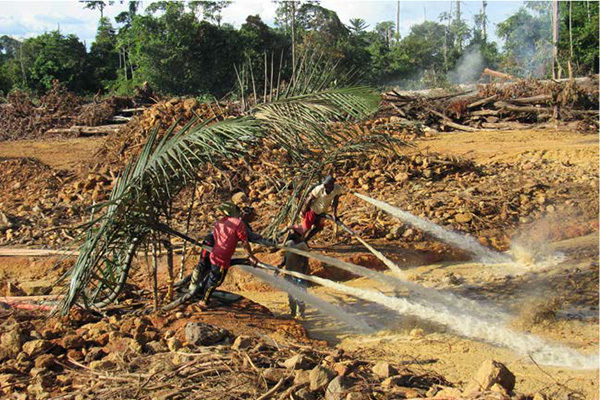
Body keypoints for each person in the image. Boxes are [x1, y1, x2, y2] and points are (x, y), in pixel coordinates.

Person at [195, 202, 259, 309]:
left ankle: (204, 298)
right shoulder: (238, 223)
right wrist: (251, 256)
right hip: (222, 258)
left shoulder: (219, 223)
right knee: (215, 281)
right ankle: (204, 302)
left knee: (213, 278)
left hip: (216, 254)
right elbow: (244, 242)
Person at [278, 226, 309, 318]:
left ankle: (301, 313)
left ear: (298, 234)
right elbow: (286, 257)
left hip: (298, 274)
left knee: (300, 294)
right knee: (290, 293)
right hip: (289, 273)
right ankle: (293, 312)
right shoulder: (289, 243)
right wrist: (281, 265)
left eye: (292, 232)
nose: (290, 234)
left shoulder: (302, 246)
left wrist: (303, 274)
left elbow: (305, 261)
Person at [301, 175, 343, 243]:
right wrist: (304, 211)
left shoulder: (337, 189)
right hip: (313, 210)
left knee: (319, 227)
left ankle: (304, 241)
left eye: (327, 184)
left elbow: (335, 202)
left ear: (332, 184)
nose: (325, 186)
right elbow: (309, 200)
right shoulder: (319, 189)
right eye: (324, 184)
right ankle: (297, 242)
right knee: (305, 228)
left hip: (323, 211)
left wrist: (334, 214)